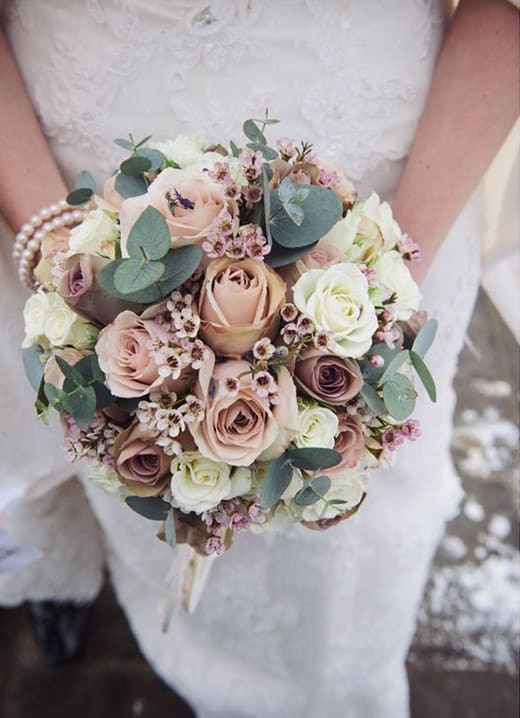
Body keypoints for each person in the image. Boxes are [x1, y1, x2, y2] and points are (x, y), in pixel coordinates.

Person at [0, 1, 518, 716]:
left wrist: (383, 279)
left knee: (348, 533)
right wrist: (57, 239)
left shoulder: (383, 274)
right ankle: (78, 578)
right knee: (119, 463)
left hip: (394, 201)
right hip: (83, 199)